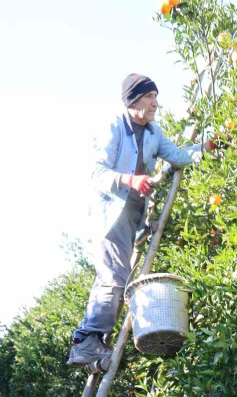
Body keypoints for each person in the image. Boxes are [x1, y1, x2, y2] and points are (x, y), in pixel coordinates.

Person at [68, 73, 219, 366]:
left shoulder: (153, 132)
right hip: (111, 216)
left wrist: (206, 149)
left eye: (155, 96)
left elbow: (177, 155)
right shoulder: (114, 127)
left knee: (119, 277)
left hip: (135, 217)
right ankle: (86, 340)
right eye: (150, 97)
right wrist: (130, 180)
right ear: (134, 100)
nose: (155, 103)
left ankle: (92, 339)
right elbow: (96, 173)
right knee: (113, 276)